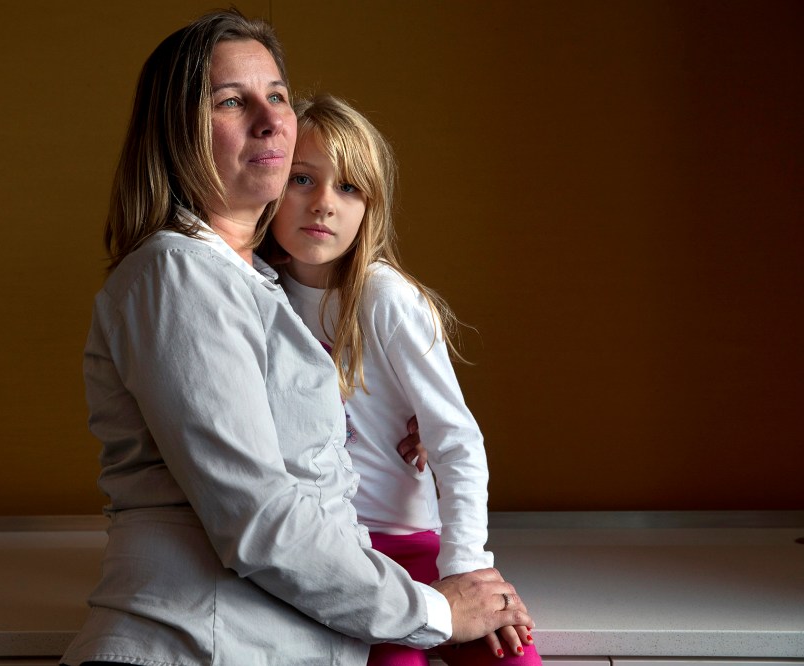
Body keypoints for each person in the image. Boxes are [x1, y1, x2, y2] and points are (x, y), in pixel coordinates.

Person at [61, 10, 531, 666]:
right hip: (198, 647)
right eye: (231, 101)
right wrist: (436, 610)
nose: (270, 119)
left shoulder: (258, 282)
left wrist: (397, 423)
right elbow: (256, 517)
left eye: (277, 95)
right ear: (176, 132)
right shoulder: (178, 273)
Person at [268, 95, 542, 666]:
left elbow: (455, 440)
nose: (324, 203)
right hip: (329, 558)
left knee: (512, 658)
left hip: (413, 544)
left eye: (349, 188)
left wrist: (465, 567)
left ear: (370, 207)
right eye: (302, 178)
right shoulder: (255, 297)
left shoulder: (383, 297)